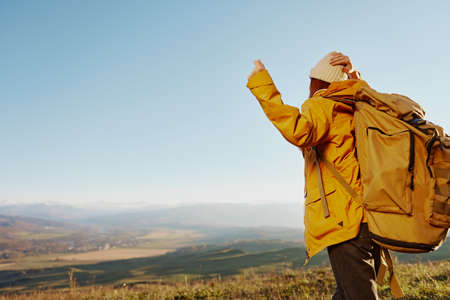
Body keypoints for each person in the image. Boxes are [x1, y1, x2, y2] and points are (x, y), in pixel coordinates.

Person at [246, 52, 380, 300]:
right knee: (348, 290)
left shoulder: (323, 104)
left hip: (345, 221)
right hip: (366, 216)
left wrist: (263, 84)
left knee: (358, 294)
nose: (308, 86)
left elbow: (299, 132)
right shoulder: (353, 107)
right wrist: (355, 79)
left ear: (318, 81)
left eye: (311, 79)